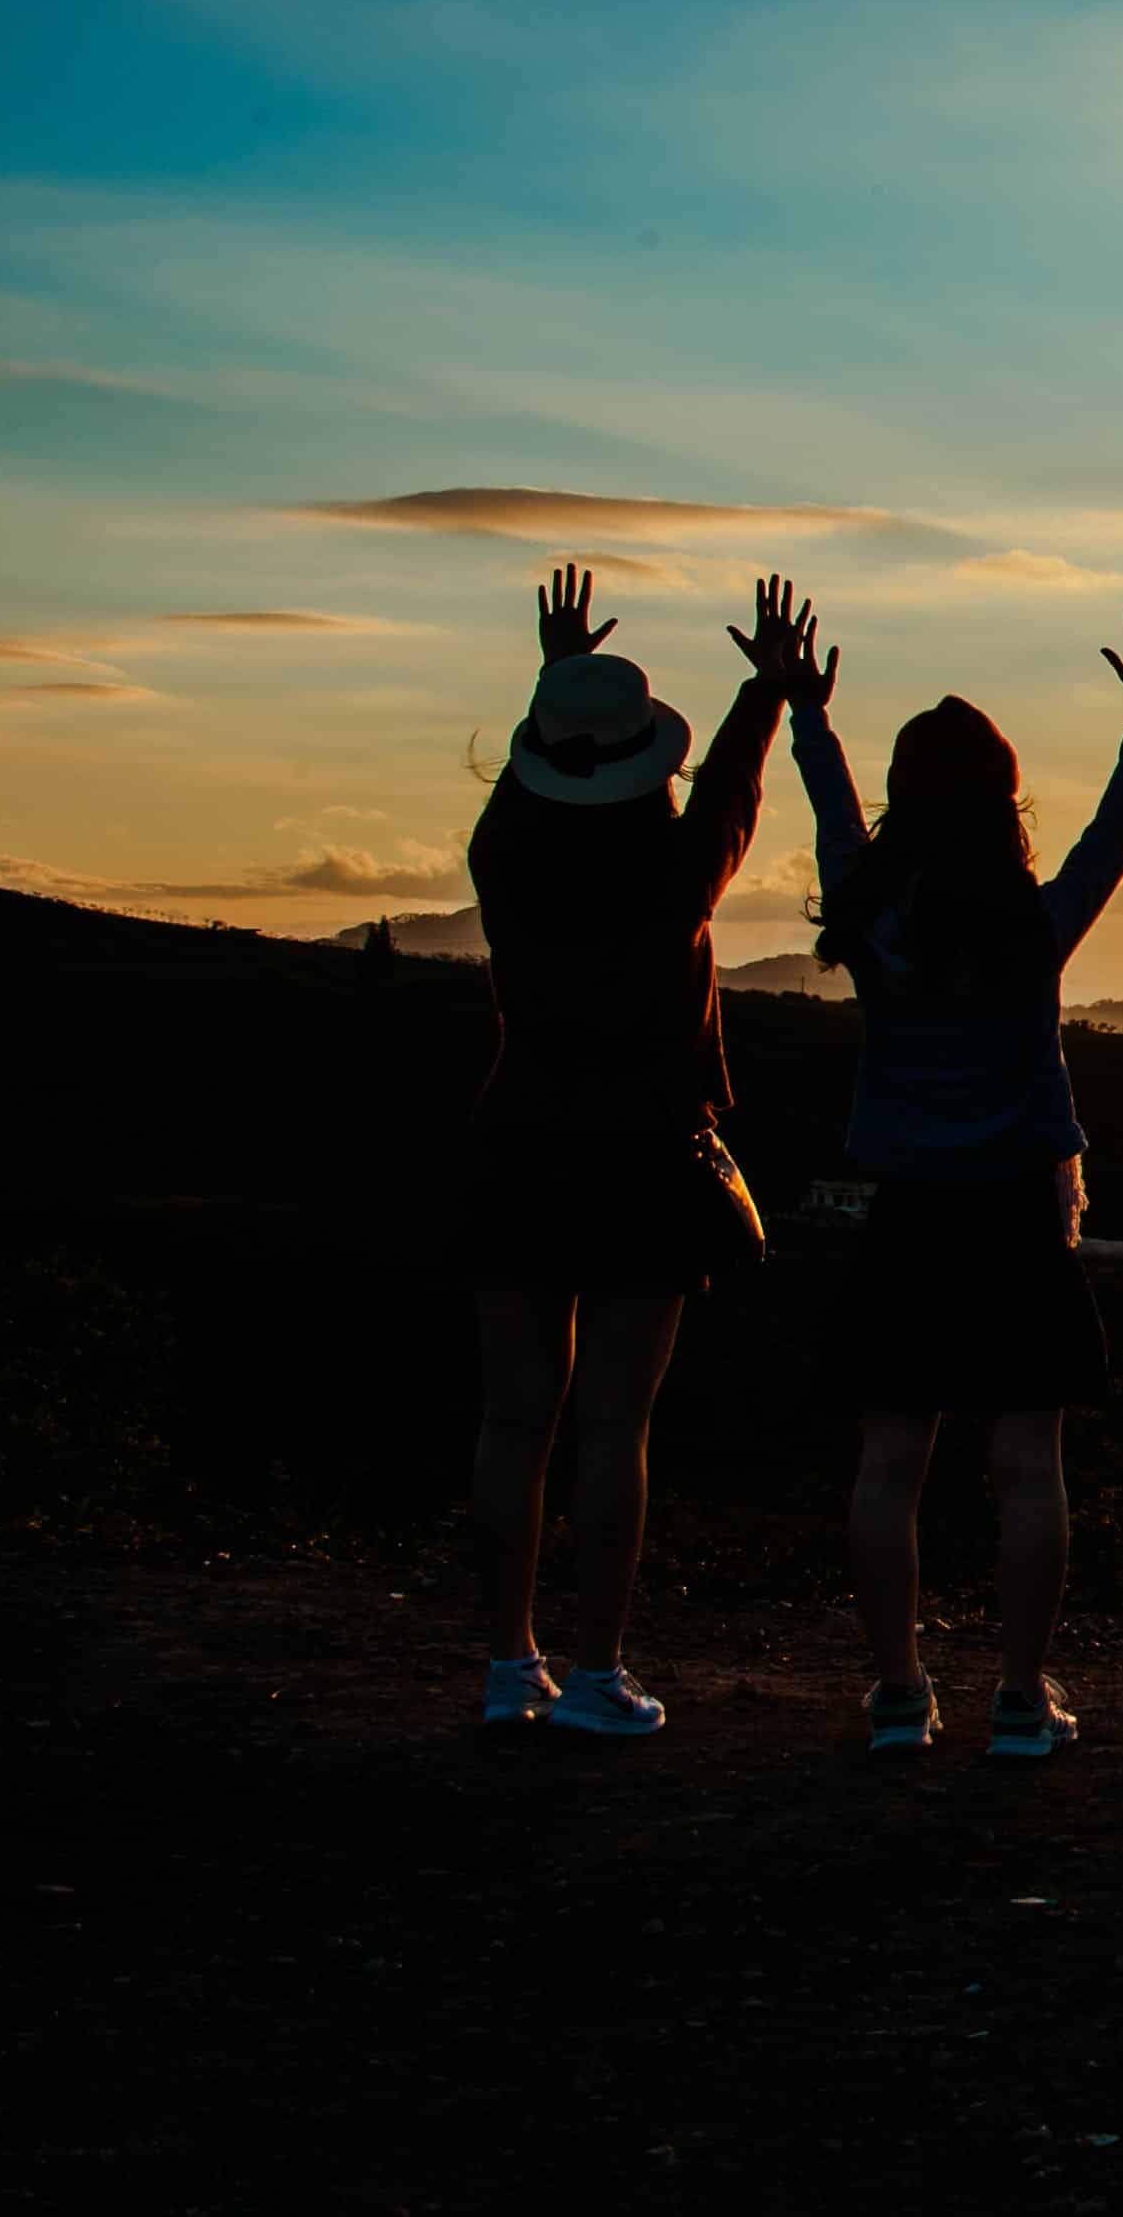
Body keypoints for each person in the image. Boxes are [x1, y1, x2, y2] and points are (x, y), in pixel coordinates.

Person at [788, 599, 1123, 1760]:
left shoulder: (873, 923)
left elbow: (832, 815)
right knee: (1026, 1466)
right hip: (1019, 1216)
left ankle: (899, 1695)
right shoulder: (1034, 923)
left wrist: (809, 713)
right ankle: (1021, 1695)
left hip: (909, 1214)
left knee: (890, 1462)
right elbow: (1116, 828)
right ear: (1004, 803)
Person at [456, 566, 806, 1737]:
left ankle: (508, 1666)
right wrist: (766, 687)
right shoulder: (672, 877)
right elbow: (735, 802)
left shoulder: (502, 858)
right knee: (615, 1424)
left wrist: (556, 678)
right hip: (644, 1155)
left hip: (521, 1143)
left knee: (514, 1422)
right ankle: (597, 1669)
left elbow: (535, 787)